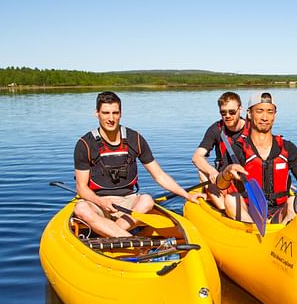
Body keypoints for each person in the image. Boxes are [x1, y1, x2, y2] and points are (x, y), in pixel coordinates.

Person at [73, 91, 203, 237]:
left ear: (121, 114)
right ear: (97, 113)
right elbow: (81, 187)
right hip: (98, 202)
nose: (111, 118)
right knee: (81, 209)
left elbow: (159, 175)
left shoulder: (135, 139)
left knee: (147, 200)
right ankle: (128, 239)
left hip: (128, 202)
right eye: (105, 113)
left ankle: (110, 232)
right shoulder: (85, 144)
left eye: (115, 113)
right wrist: (101, 202)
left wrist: (186, 195)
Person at [217, 91, 297, 224]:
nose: (265, 117)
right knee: (231, 199)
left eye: (270, 112)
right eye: (259, 111)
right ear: (249, 113)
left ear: (274, 116)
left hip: (280, 213)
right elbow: (220, 185)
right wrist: (227, 172)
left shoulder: (288, 148)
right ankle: (253, 230)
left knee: (293, 201)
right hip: (248, 212)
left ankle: (279, 232)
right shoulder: (237, 149)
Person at [191, 91, 249, 209]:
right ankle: (223, 209)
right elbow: (196, 157)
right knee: (202, 170)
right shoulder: (215, 129)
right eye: (223, 112)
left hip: (246, 177)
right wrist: (212, 171)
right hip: (223, 180)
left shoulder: (253, 129)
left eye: (232, 112)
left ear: (240, 109)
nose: (227, 116)